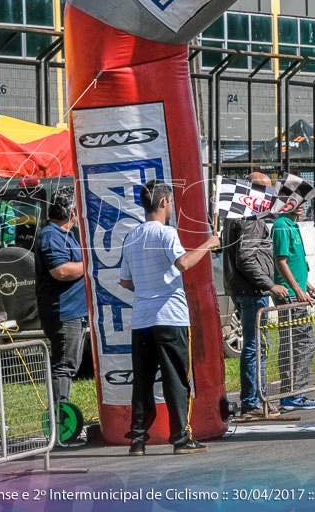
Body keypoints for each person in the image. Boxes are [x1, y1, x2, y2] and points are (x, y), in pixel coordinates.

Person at [120, 180, 219, 456]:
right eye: (171, 201)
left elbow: (124, 281)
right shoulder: (167, 233)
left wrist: (147, 284)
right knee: (176, 378)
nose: (172, 206)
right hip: (170, 316)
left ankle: (137, 439)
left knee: (142, 381)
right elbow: (183, 263)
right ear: (163, 202)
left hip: (142, 320)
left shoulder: (131, 237)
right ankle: (181, 437)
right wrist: (209, 243)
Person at [221, 172, 289, 417]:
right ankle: (252, 401)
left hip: (241, 288)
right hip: (251, 291)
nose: (269, 197)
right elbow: (247, 259)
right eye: (264, 190)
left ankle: (254, 398)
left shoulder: (235, 213)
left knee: (255, 345)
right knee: (255, 347)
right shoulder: (250, 217)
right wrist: (271, 285)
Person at [34, 186, 87, 444]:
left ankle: (62, 419)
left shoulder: (68, 234)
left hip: (73, 311)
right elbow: (61, 271)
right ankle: (59, 424)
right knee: (64, 366)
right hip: (63, 312)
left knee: (69, 365)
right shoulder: (51, 235)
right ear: (73, 212)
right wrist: (90, 265)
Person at [272, 194, 315, 410]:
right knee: (302, 341)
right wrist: (296, 290)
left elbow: (295, 263)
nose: (302, 206)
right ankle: (293, 393)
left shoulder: (292, 225)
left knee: (296, 342)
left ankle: (292, 393)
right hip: (290, 296)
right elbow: (280, 261)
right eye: (298, 201)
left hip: (298, 292)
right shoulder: (282, 225)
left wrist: (309, 287)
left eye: (304, 202)